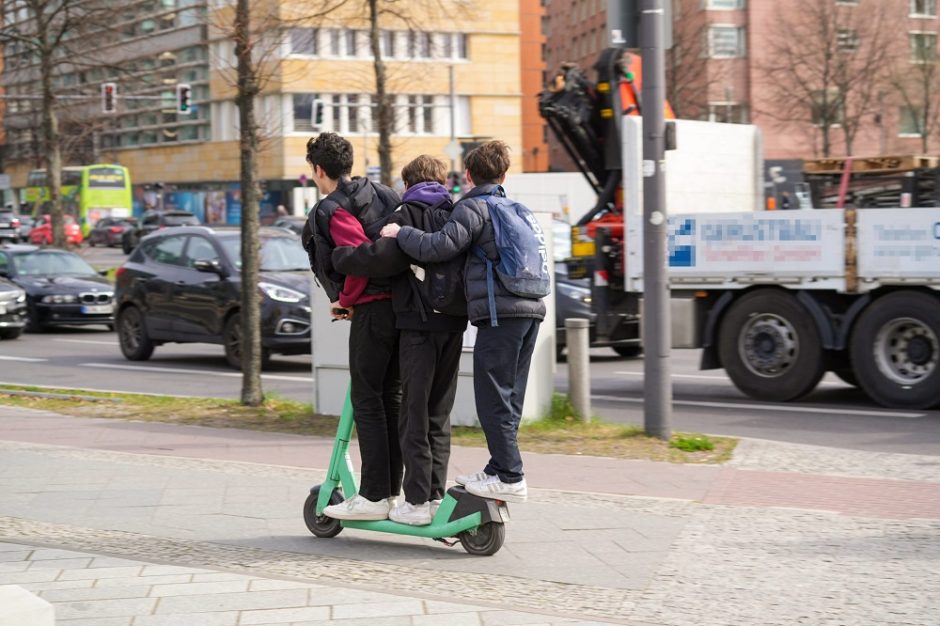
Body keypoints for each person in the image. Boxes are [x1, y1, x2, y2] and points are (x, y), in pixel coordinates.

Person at [380, 140, 545, 503]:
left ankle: (511, 474)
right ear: (504, 174)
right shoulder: (515, 208)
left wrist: (401, 233)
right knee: (510, 397)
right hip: (532, 310)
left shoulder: (474, 208)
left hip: (500, 314)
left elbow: (439, 247)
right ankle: (499, 468)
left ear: (468, 175)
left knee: (492, 396)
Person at [332, 155, 468, 525]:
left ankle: (416, 502)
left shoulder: (407, 213)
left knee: (413, 413)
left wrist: (342, 256)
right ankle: (436, 496)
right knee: (438, 413)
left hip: (418, 325)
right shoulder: (455, 213)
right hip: (454, 325)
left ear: (407, 184)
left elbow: (381, 258)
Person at [301, 132, 402, 521]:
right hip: (401, 309)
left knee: (367, 400)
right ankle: (392, 490)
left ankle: (374, 494)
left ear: (319, 169)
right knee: (390, 399)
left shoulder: (333, 207)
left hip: (372, 311)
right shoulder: (384, 193)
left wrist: (345, 299)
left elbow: (359, 256)